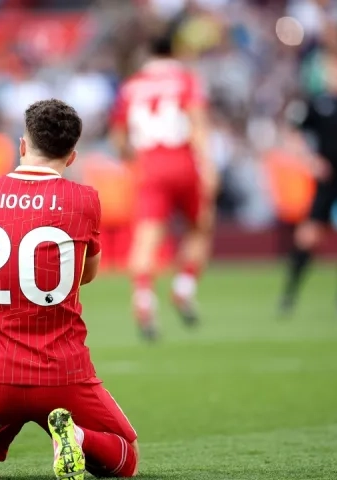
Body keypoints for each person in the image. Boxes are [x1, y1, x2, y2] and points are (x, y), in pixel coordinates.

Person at [0, 99, 138, 480]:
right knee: (125, 458)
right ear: (72, 156)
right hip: (62, 371)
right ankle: (77, 437)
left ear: (22, 145)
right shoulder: (84, 200)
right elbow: (85, 275)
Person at [109, 35, 217, 340]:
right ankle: (184, 287)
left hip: (149, 166)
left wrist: (130, 159)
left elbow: (119, 136)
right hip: (183, 161)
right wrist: (208, 166)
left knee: (146, 238)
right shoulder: (185, 79)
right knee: (201, 226)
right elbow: (197, 122)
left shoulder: (131, 86)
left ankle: (144, 300)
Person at [278, 43, 337, 316]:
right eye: (333, 70)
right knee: (309, 236)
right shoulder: (315, 103)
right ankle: (289, 295)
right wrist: (310, 161)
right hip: (328, 179)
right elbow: (292, 133)